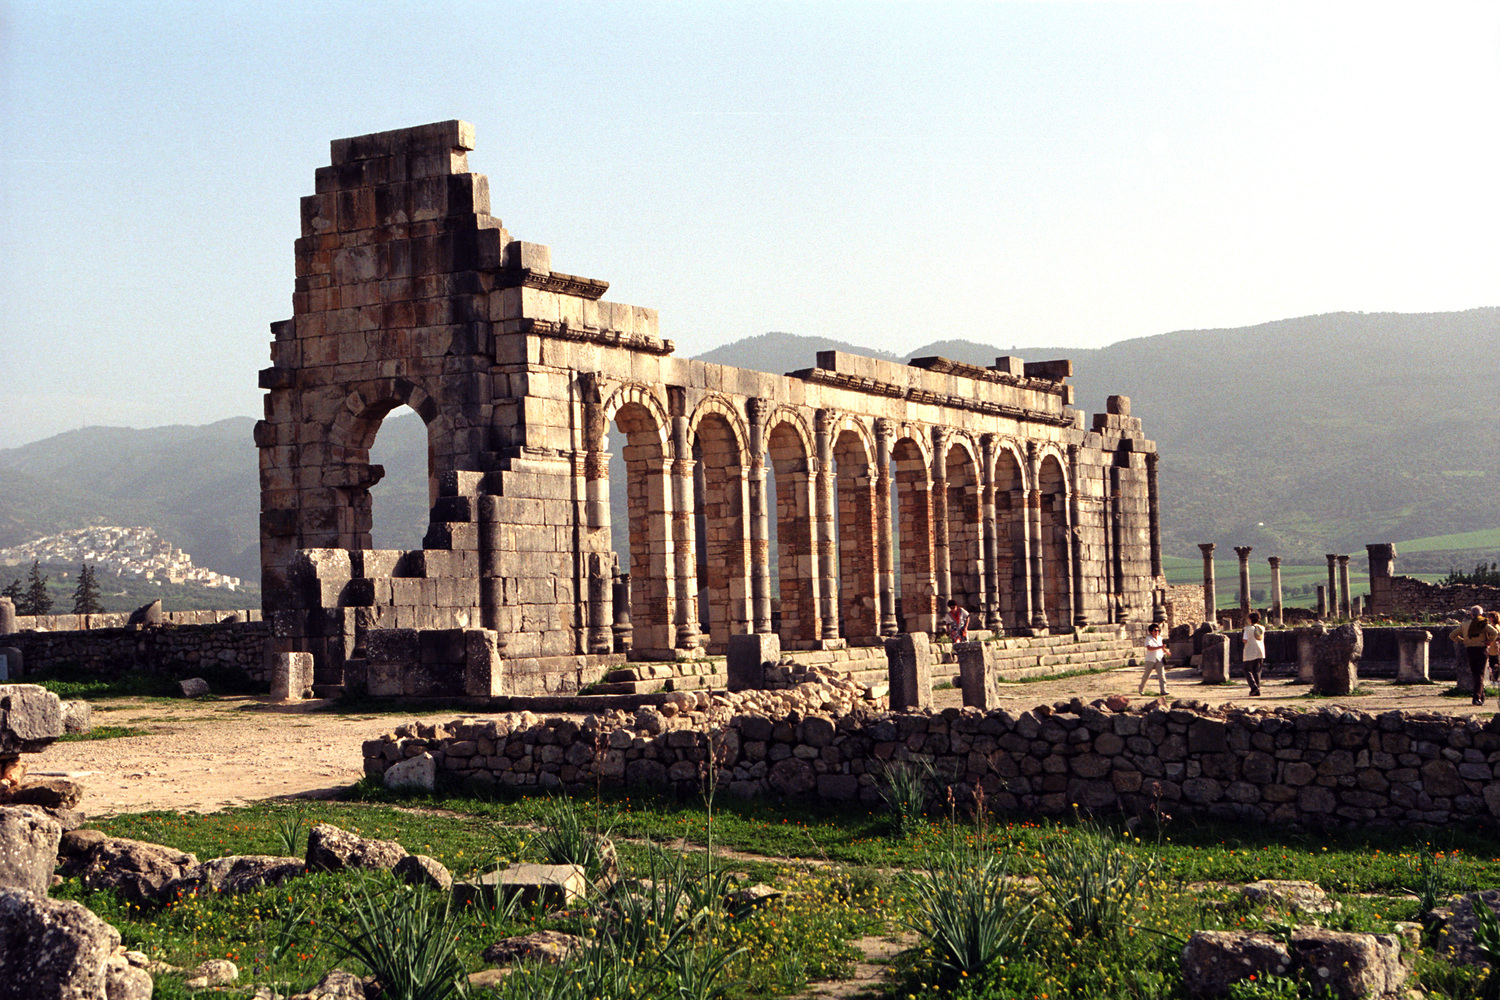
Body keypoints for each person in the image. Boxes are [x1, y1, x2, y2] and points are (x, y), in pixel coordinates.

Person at [1450, 606, 1499, 706]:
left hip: (1470, 650)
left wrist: (1463, 640)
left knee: (1475, 673)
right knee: (1480, 674)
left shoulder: (1464, 625)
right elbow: (1495, 632)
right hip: (1481, 649)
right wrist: (1489, 641)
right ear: (1481, 614)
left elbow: (1452, 635)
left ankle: (1481, 695)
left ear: (1471, 614)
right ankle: (1477, 697)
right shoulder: (1483, 624)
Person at [1138, 623, 1168, 696]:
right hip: (1150, 660)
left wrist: (1166, 651)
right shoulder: (1148, 639)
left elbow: (1162, 648)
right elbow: (1149, 648)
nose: (1157, 632)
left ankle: (1163, 690)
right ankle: (1141, 688)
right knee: (1146, 676)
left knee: (1162, 675)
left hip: (1159, 659)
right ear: (1151, 631)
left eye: (1158, 630)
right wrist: (1160, 647)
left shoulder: (1160, 638)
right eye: (1155, 630)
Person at [1241, 612, 1266, 697]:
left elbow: (1245, 640)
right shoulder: (1262, 628)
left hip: (1250, 651)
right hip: (1260, 651)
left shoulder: (1247, 629)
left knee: (1247, 670)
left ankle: (1253, 687)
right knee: (1257, 671)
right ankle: (1257, 689)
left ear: (1250, 619)